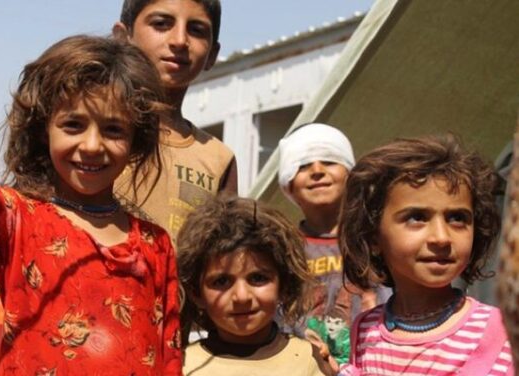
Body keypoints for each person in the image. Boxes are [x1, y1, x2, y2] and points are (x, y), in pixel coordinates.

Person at [0, 2, 181, 374]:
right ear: (43, 131)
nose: (92, 145)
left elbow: (168, 358)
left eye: (113, 129)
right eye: (73, 125)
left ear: (136, 140)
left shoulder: (156, 246)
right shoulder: (20, 222)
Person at [339, 135, 514, 375]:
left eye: (457, 218)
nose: (441, 237)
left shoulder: (499, 332)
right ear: (373, 237)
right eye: (417, 217)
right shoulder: (365, 330)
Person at [112, 0, 238, 243]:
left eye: (197, 30)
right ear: (122, 37)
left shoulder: (218, 158)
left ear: (212, 54)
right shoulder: (88, 131)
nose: (180, 40)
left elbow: (223, 253)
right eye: (161, 24)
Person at [177, 195, 334, 376]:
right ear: (196, 293)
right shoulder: (184, 365)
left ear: (284, 285)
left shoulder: (309, 359)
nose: (242, 296)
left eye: (258, 278)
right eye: (221, 282)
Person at [277, 123, 388, 367]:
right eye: (303, 165)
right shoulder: (282, 249)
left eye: (329, 161)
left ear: (350, 174)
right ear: (288, 185)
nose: (317, 171)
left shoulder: (378, 240)